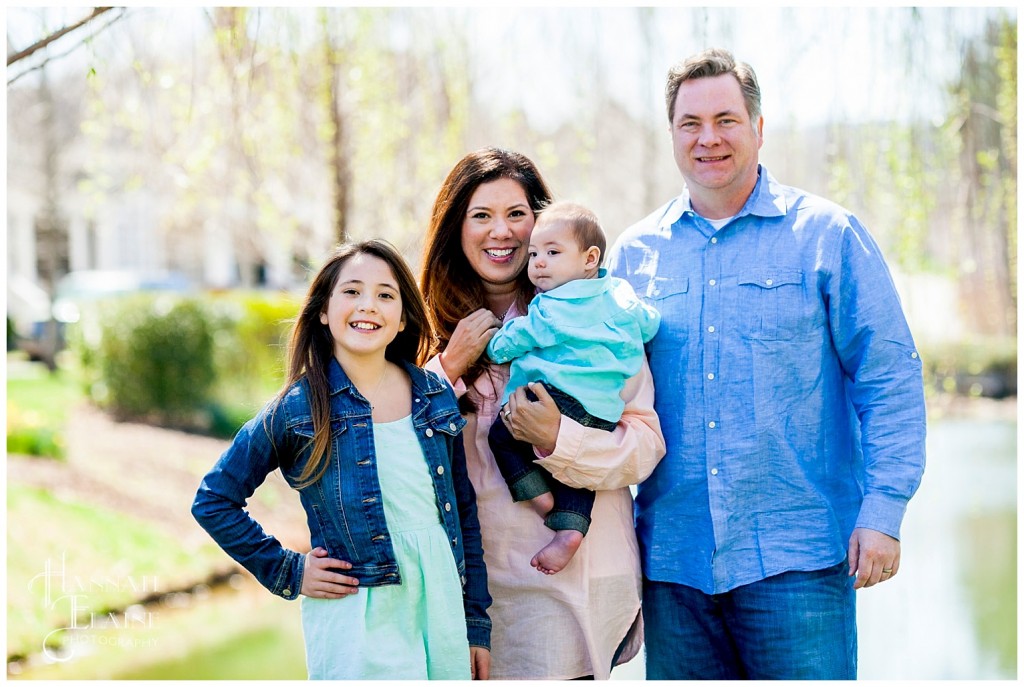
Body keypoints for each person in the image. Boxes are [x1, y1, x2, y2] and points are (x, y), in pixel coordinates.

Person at [606, 48, 927, 680]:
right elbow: (601, 392)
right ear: (671, 134)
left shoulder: (828, 236)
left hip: (799, 563)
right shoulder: (634, 255)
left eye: (726, 119)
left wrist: (883, 512)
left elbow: (888, 377)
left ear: (758, 126)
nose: (709, 138)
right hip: (673, 568)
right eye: (690, 123)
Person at [191, 239, 491, 680]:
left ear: (404, 316)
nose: (368, 305)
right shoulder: (298, 408)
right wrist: (289, 571)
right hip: (358, 620)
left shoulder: (433, 394)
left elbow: (464, 515)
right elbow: (214, 499)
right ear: (324, 312)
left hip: (442, 610)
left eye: (385, 295)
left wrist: (476, 626)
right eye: (352, 291)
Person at [418, 147, 666, 680]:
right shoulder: (420, 327)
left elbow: (645, 446)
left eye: (516, 215)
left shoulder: (600, 316)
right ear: (455, 229)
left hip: (570, 595)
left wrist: (561, 438)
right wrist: (447, 368)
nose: (500, 232)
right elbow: (388, 452)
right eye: (481, 215)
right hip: (473, 598)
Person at [485, 201, 661, 575]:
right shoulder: (619, 296)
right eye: (534, 254)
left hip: (557, 397)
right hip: (602, 410)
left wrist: (492, 345)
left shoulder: (551, 307)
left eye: (551, 252)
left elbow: (518, 338)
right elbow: (650, 323)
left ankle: (540, 497)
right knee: (579, 469)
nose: (539, 263)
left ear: (589, 258)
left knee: (502, 433)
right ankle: (570, 529)